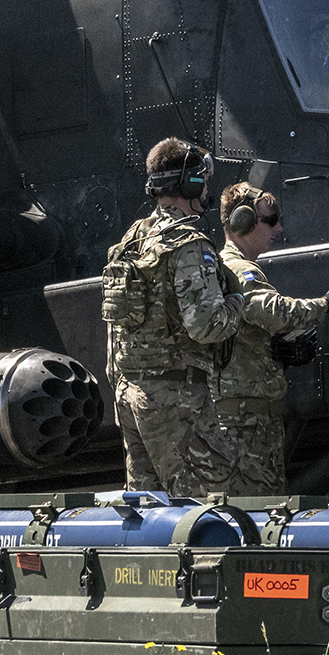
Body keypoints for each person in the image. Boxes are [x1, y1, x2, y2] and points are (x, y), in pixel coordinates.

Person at [181, 183, 329, 495]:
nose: (279, 228)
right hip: (245, 421)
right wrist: (325, 303)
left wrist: (274, 352)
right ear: (242, 222)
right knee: (258, 506)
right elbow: (272, 311)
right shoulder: (238, 269)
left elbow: (241, 335)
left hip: (245, 414)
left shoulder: (230, 267)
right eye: (270, 220)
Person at [99, 138, 245, 495]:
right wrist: (238, 299)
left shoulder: (131, 239)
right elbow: (206, 325)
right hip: (176, 396)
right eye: (203, 180)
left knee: (147, 505)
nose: (207, 187)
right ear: (190, 184)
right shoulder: (189, 243)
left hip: (129, 392)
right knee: (210, 501)